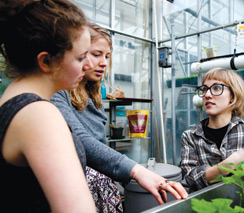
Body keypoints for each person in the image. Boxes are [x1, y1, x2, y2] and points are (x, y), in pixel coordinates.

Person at [51, 23, 188, 209]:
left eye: (107, 56)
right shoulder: (58, 93)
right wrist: (136, 171)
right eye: (96, 54)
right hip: (75, 191)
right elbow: (80, 140)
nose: (104, 63)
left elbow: (100, 147)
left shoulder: (94, 96)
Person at [0, 0, 97, 212]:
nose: (89, 65)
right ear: (46, 61)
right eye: (81, 57)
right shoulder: (39, 114)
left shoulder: (11, 99)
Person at [180, 67, 244, 193]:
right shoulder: (190, 136)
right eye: (205, 89)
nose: (207, 95)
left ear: (232, 96)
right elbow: (190, 179)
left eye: (216, 88)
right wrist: (229, 164)